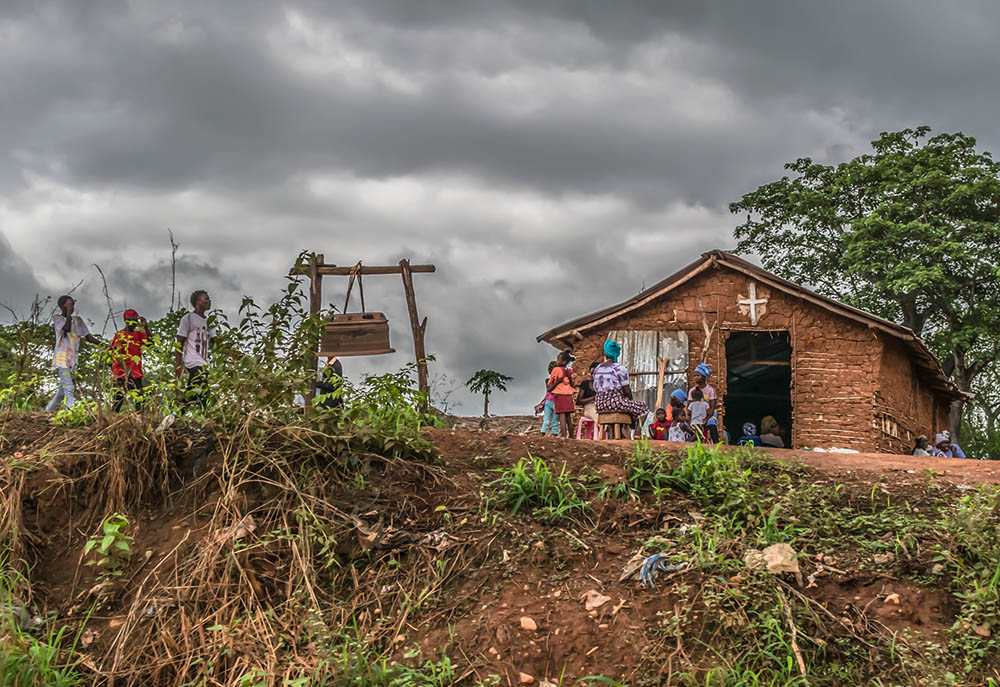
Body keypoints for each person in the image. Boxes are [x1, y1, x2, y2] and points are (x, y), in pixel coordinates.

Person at [46, 295, 102, 412]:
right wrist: (67, 314)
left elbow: (88, 337)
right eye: (68, 305)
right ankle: (71, 411)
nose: (71, 308)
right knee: (69, 387)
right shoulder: (58, 319)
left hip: (72, 360)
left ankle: (48, 412)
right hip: (61, 358)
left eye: (72, 305)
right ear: (61, 306)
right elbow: (66, 328)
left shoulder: (78, 320)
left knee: (62, 391)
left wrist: (106, 346)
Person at [593, 340, 649, 434]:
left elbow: (596, 388)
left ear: (605, 353)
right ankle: (637, 433)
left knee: (629, 407)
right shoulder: (619, 368)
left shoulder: (597, 368)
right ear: (617, 354)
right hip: (615, 402)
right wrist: (630, 400)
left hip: (599, 404)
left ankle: (620, 432)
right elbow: (627, 391)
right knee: (643, 408)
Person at [175, 290, 216, 411]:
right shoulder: (188, 319)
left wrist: (230, 353)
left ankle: (180, 412)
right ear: (198, 302)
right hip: (192, 360)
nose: (209, 301)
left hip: (204, 363)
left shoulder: (210, 321)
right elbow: (179, 344)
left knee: (202, 393)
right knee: (197, 386)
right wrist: (177, 368)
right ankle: (178, 411)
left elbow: (216, 342)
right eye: (206, 299)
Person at [110, 309, 151, 411]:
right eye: (131, 320)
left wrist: (146, 327)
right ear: (126, 321)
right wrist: (127, 371)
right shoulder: (120, 335)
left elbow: (151, 343)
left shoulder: (139, 334)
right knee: (118, 398)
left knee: (139, 398)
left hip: (136, 371)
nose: (134, 323)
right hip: (121, 372)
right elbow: (117, 354)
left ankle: (139, 420)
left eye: (135, 320)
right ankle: (112, 418)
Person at [547, 350, 576, 438]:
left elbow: (549, 385)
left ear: (563, 362)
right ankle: (571, 436)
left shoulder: (556, 370)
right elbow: (572, 384)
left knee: (562, 417)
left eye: (558, 359)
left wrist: (557, 383)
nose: (556, 361)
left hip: (559, 396)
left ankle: (564, 436)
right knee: (568, 418)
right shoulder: (570, 372)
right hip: (568, 396)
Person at [537, 361, 559, 437]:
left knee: (554, 421)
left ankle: (553, 435)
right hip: (551, 402)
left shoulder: (551, 380)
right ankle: (542, 433)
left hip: (553, 402)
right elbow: (550, 389)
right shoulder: (548, 381)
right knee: (547, 420)